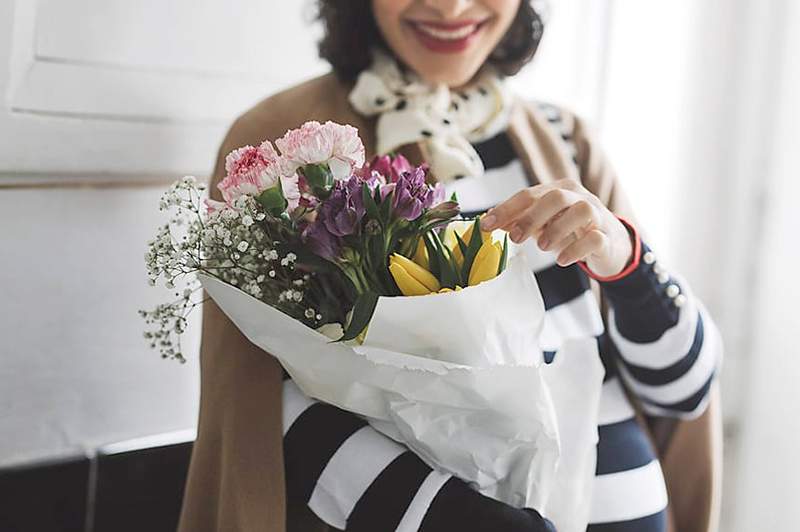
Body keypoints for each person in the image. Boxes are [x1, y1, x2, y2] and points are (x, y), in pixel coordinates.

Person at [178, 1, 723, 531]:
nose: (450, 6)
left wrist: (629, 266)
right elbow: (257, 401)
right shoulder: (285, 143)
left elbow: (684, 393)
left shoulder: (565, 137)